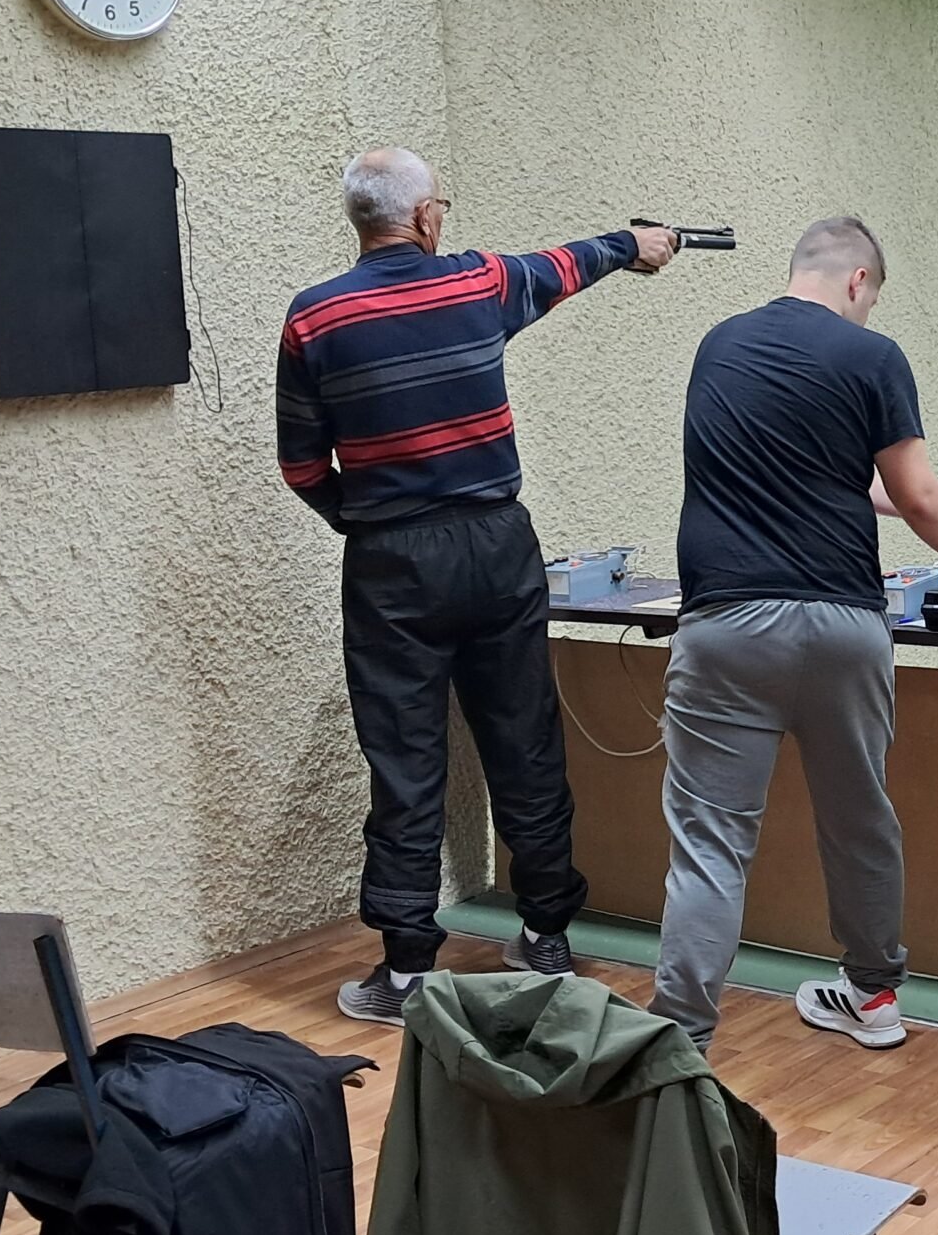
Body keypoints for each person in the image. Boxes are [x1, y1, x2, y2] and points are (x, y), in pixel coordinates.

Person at [276, 148, 679, 1025]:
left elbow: (301, 465)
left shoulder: (313, 317)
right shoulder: (476, 284)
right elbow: (565, 264)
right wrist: (632, 244)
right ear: (425, 218)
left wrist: (371, 522)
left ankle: (405, 973)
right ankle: (545, 936)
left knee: (404, 759)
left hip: (390, 562)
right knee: (524, 741)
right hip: (497, 545)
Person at [649, 217, 938, 1055]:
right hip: (842, 628)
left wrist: (902, 495)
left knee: (710, 845)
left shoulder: (720, 346)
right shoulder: (872, 356)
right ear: (857, 281)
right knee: (859, 822)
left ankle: (680, 1043)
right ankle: (874, 996)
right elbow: (918, 498)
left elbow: (800, 469)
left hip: (727, 626)